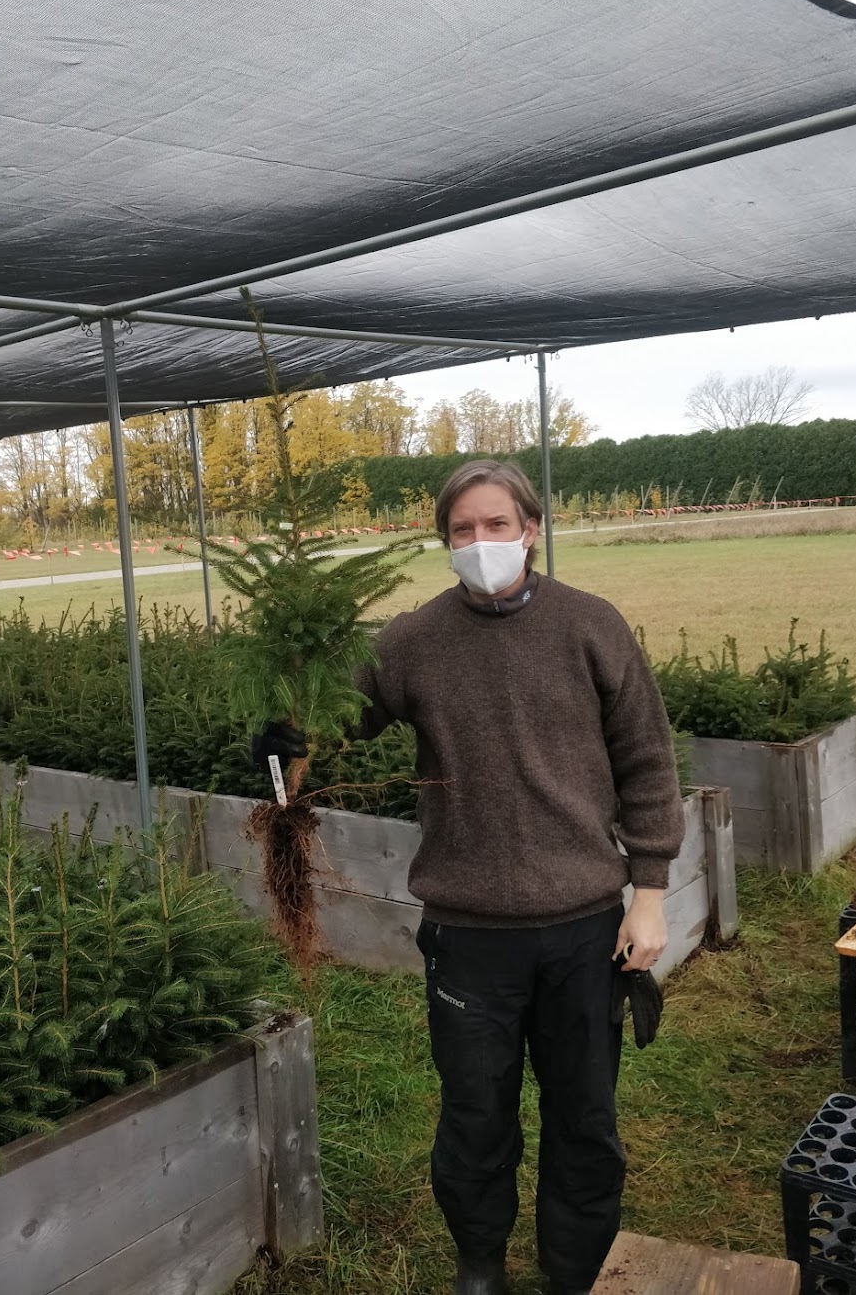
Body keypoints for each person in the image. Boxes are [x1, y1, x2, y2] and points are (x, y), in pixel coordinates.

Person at [260, 459, 685, 1295]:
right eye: (462, 529)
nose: (480, 541)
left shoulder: (590, 626)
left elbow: (645, 760)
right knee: (475, 1116)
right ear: (444, 541)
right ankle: (480, 1262)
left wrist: (648, 894)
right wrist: (285, 730)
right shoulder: (413, 640)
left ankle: (574, 1267)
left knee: (584, 1116)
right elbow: (335, 714)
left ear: (530, 529)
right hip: (468, 936)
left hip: (582, 925)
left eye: (496, 524)